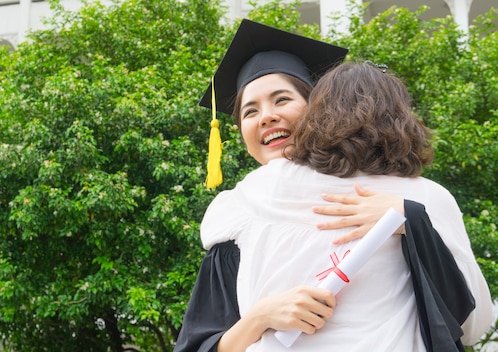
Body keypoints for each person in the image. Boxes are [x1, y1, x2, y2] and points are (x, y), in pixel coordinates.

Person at [174, 20, 492, 352]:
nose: (266, 116)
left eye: (281, 100)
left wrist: (413, 221)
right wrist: (259, 317)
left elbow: (465, 324)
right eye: (250, 111)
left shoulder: (419, 197)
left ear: (318, 108)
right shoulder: (243, 206)